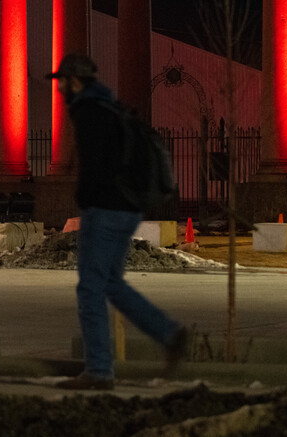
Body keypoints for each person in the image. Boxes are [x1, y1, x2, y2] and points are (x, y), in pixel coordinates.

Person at [47, 53, 187, 390]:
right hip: (128, 209)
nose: (60, 87)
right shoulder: (112, 108)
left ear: (76, 81)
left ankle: (98, 371)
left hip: (105, 209)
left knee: (90, 288)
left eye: (62, 81)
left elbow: (95, 164)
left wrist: (86, 199)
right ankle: (169, 333)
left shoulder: (88, 112)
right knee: (111, 283)